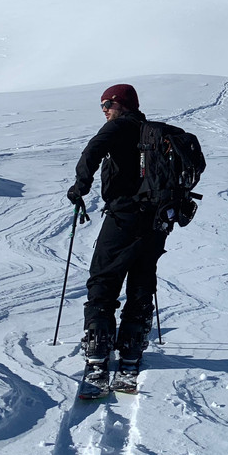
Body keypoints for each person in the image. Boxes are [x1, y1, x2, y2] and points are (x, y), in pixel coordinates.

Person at [67, 83, 165, 375]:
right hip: (157, 219)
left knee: (104, 276)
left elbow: (93, 150)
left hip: (124, 214)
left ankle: (98, 346)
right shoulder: (154, 132)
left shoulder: (119, 128)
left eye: (108, 104)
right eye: (102, 106)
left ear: (123, 104)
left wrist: (80, 186)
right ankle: (132, 348)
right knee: (141, 279)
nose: (104, 111)